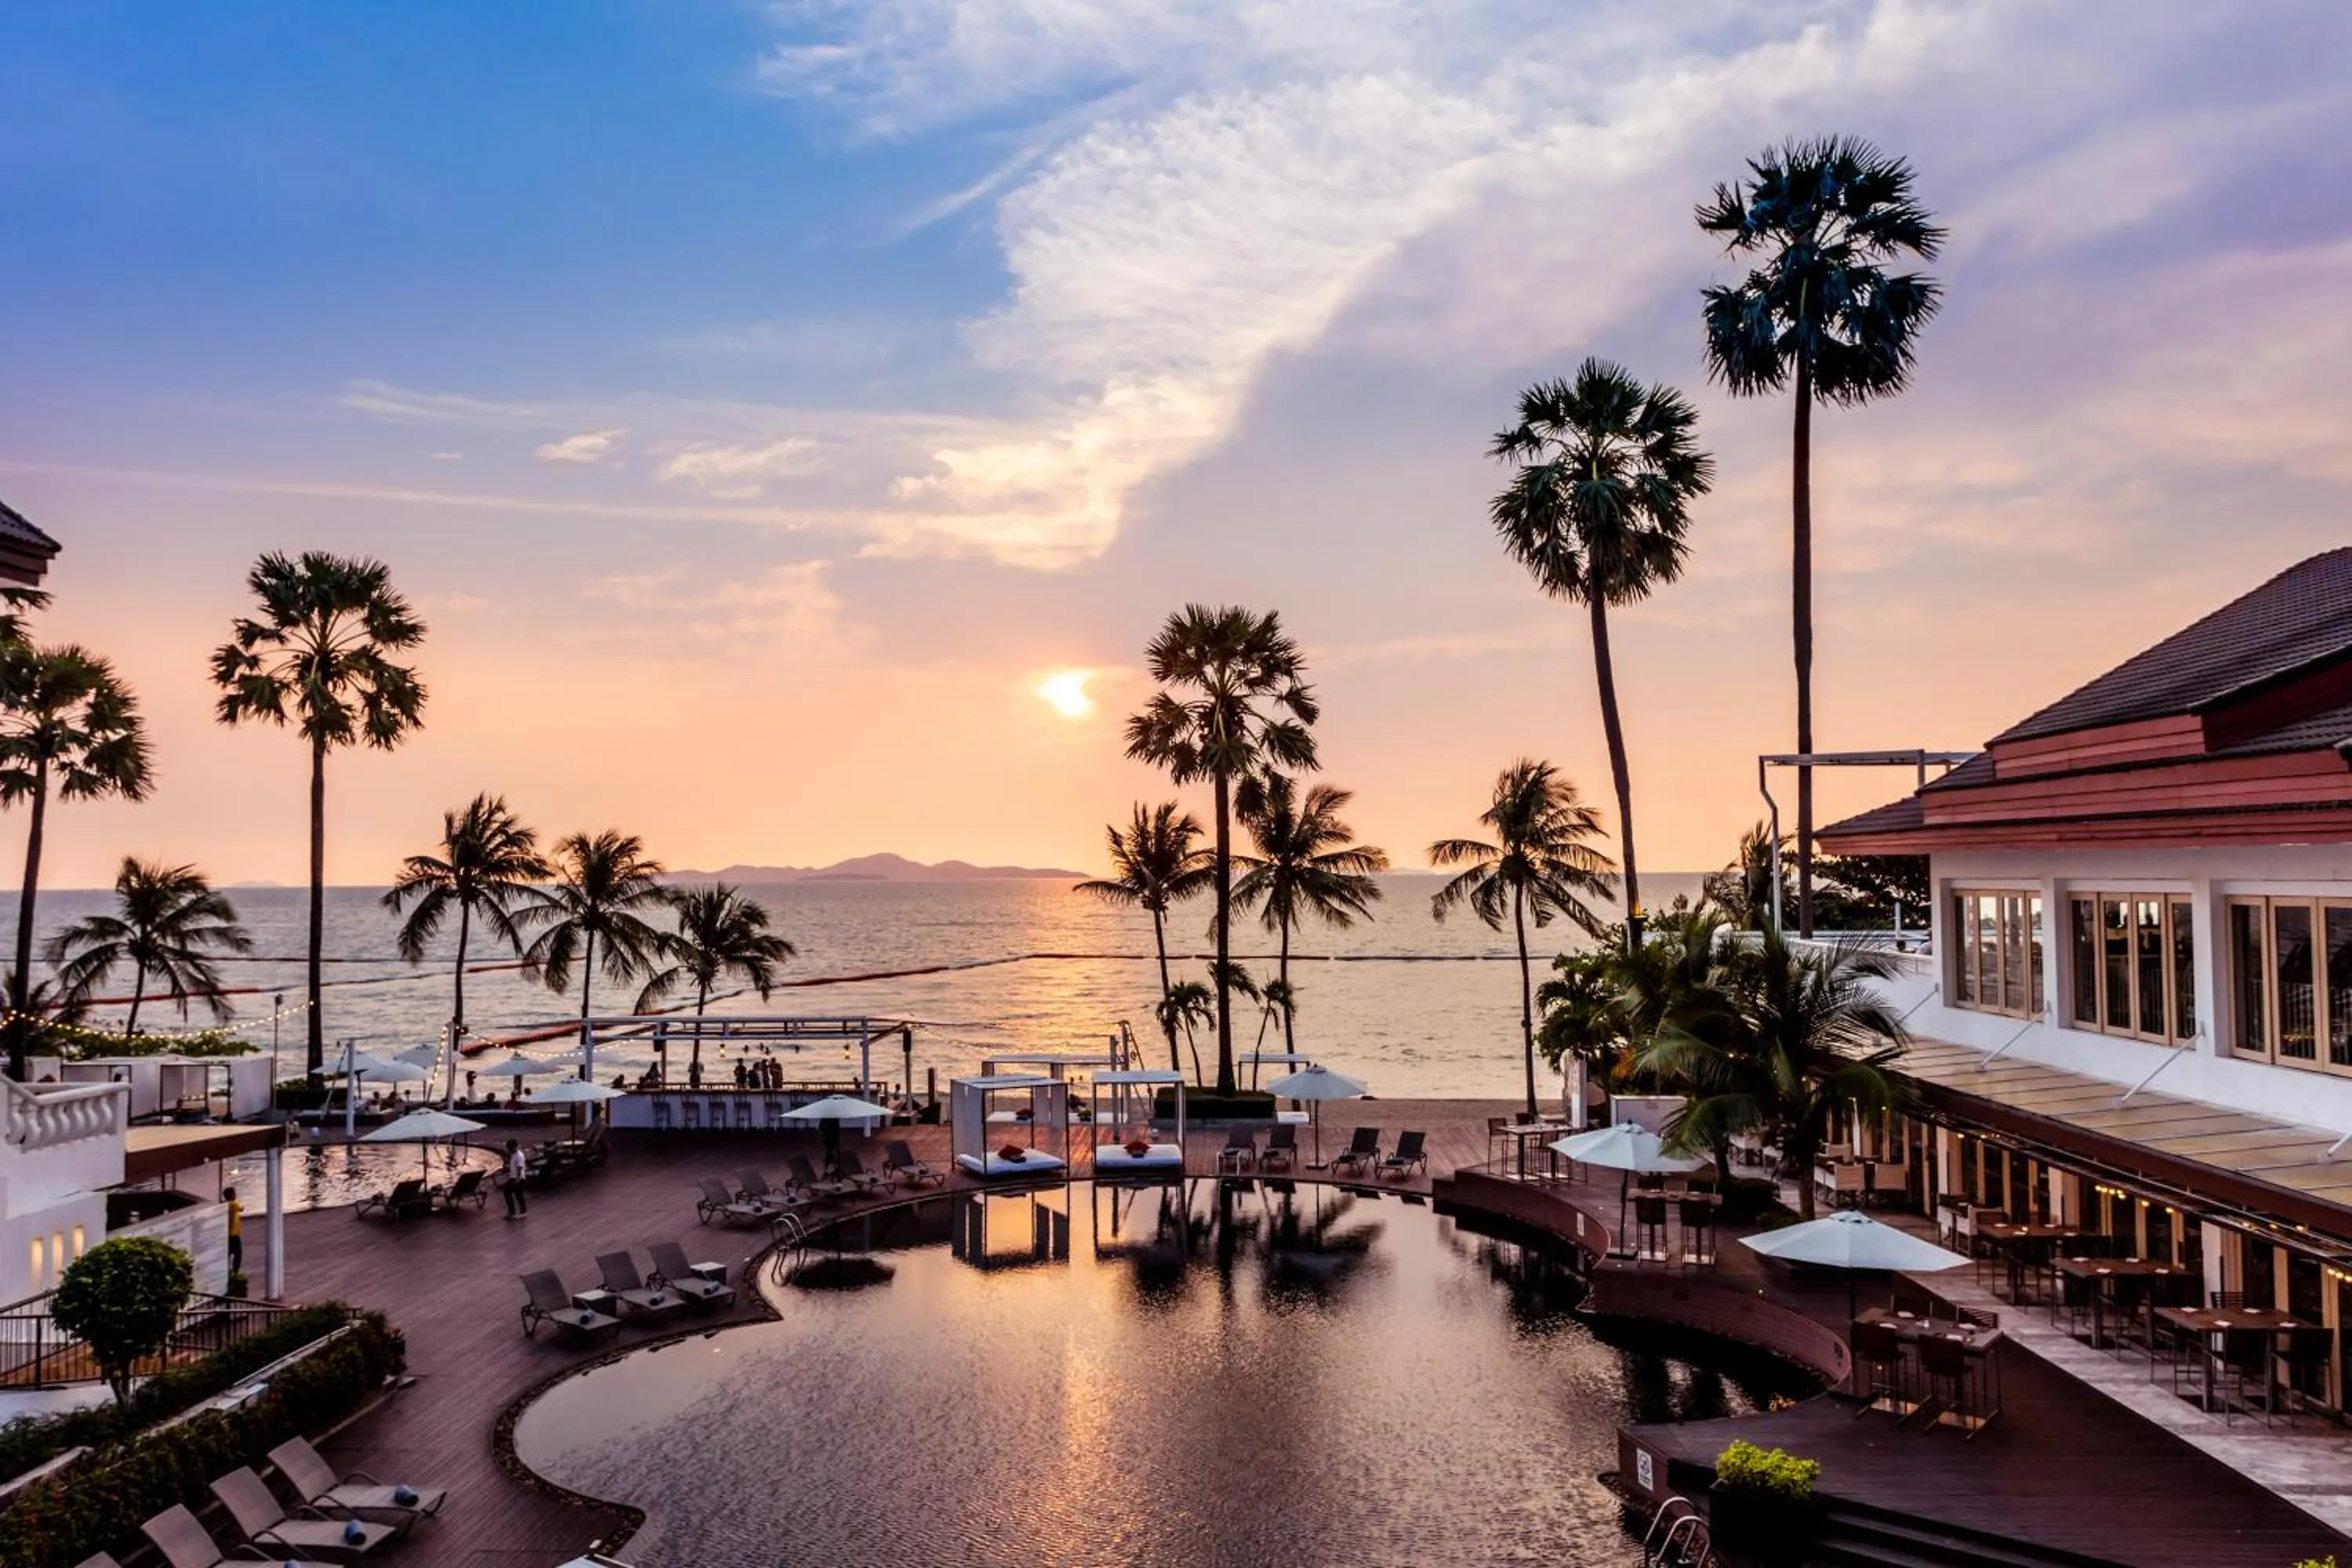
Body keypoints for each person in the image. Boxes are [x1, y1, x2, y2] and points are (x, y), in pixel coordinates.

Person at [502, 1138, 529, 1219]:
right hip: (513, 1177)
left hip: (517, 1178)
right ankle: (518, 1212)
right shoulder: (515, 1155)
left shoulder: (519, 1156)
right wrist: (508, 1167)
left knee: (514, 1194)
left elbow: (519, 1168)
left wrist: (518, 1179)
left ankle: (516, 1212)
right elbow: (514, 1165)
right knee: (516, 1195)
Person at [223, 1185, 243, 1274]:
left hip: (226, 1234)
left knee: (228, 1254)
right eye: (234, 1193)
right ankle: (235, 1271)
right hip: (233, 1234)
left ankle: (226, 1271)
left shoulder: (225, 1205)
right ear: (230, 1195)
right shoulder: (233, 1204)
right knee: (238, 1253)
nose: (235, 1195)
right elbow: (241, 1209)